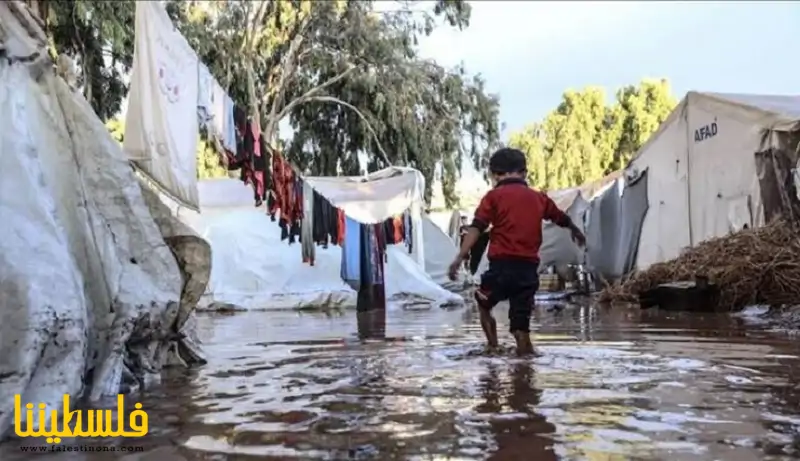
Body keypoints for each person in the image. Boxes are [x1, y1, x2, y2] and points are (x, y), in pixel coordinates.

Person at [448, 147, 586, 356]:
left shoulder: (493, 197)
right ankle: (526, 366)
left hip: (501, 268)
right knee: (521, 326)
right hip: (528, 271)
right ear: (524, 173)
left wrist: (460, 256)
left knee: (483, 303)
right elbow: (560, 217)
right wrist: (576, 231)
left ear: (495, 175)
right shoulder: (539, 198)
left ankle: (492, 347)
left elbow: (476, 227)